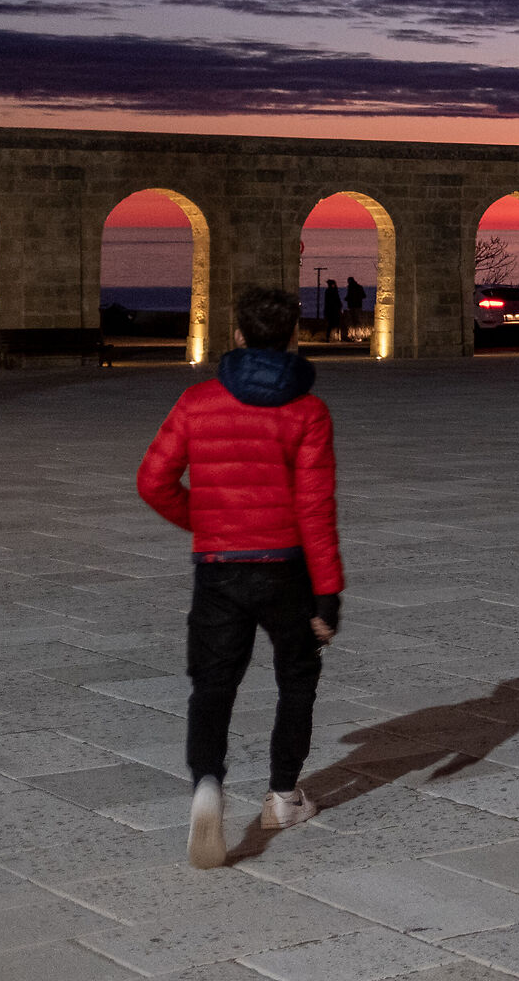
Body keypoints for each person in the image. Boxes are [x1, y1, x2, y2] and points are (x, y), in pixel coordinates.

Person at [137, 286, 344, 869]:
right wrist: (328, 592)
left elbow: (153, 480)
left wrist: (206, 522)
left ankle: (208, 784)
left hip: (219, 569)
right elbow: (316, 508)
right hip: (286, 568)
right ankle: (282, 797)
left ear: (236, 334)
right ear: (294, 338)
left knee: (213, 684)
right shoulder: (308, 411)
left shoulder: (197, 401)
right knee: (296, 678)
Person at [343, 277, 368, 345]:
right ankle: (358, 336)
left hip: (352, 306)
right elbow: (364, 296)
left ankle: (355, 336)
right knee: (357, 321)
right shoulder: (359, 287)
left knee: (354, 322)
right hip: (358, 306)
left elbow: (349, 296)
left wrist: (348, 299)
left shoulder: (350, 288)